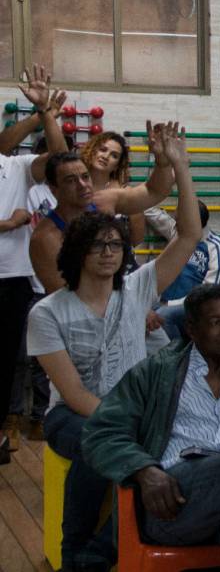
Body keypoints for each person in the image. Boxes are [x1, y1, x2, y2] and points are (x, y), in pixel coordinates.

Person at [26, 127, 200, 571]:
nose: (109, 253)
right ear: (77, 252)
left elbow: (188, 235)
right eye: (98, 245)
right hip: (73, 415)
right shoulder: (47, 313)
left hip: (131, 411)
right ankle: (74, 554)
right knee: (99, 441)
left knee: (173, 450)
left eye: (116, 246)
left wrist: (179, 164)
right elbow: (75, 393)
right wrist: (123, 419)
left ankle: (103, 550)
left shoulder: (138, 288)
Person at [82, 284, 220, 572]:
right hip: (173, 501)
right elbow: (100, 432)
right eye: (216, 322)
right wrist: (144, 470)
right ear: (192, 329)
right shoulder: (158, 371)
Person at [0, 64, 68, 464]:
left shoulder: (17, 168)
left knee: (7, 363)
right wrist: (7, 223)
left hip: (12, 279)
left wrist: (46, 113)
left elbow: (60, 159)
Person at [30, 122, 176, 294]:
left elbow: (155, 191)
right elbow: (65, 295)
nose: (82, 185)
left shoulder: (104, 201)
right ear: (53, 190)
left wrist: (162, 162)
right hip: (75, 313)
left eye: (85, 177)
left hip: (112, 294)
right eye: (71, 180)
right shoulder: (45, 237)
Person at [144, 200, 220, 340]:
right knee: (142, 310)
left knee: (164, 316)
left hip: (195, 305)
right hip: (163, 300)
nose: (174, 222)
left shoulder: (217, 246)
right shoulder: (178, 232)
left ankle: (177, 356)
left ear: (192, 223)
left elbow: (208, 292)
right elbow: (150, 211)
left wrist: (169, 304)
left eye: (178, 220)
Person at [80, 130, 146, 245]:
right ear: (92, 151)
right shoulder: (74, 187)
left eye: (114, 156)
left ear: (117, 166)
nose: (105, 156)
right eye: (103, 150)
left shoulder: (126, 194)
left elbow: (137, 239)